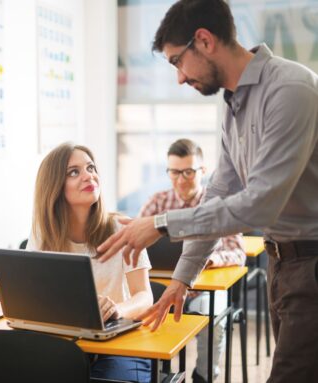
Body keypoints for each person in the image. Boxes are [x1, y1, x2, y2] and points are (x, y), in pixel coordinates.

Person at [97, 1, 318, 382]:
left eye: (177, 62)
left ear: (204, 40)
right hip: (281, 263)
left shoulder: (291, 89)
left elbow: (259, 205)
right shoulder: (234, 105)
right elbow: (219, 194)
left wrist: (163, 224)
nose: (179, 79)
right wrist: (182, 280)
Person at [27, 142, 153, 383]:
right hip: (65, 342)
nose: (89, 176)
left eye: (90, 167)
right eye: (74, 172)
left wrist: (118, 310)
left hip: (120, 343)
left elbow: (145, 297)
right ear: (54, 187)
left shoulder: (123, 229)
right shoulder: (42, 236)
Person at [139, 138, 246, 383]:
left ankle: (204, 375)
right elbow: (138, 244)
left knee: (213, 319)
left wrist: (209, 259)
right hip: (161, 288)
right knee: (139, 311)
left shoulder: (218, 204)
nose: (181, 179)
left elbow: (238, 252)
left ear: (203, 171)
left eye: (188, 172)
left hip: (201, 291)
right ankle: (158, 375)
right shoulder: (157, 201)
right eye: (174, 172)